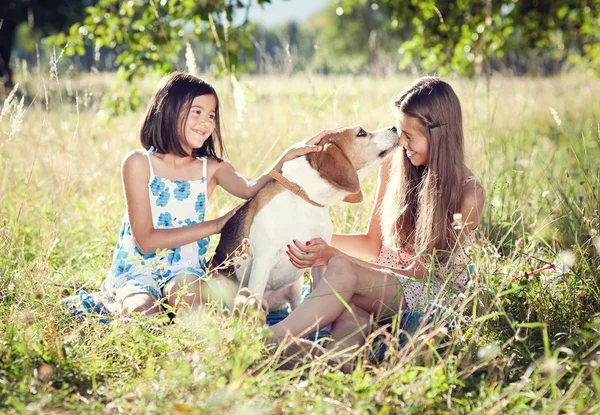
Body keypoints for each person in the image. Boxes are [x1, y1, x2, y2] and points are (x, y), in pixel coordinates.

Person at [275, 76, 485, 350]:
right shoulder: (396, 167)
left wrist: (335, 256)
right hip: (382, 285)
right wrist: (317, 241)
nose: (401, 143)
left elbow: (418, 273)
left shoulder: (469, 195)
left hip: (428, 291)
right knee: (351, 313)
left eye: (410, 136)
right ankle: (332, 362)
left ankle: (271, 338)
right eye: (400, 133)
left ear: (439, 135)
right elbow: (372, 245)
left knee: (341, 269)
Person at [102, 72, 329, 317]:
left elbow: (251, 188)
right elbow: (146, 240)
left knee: (193, 301)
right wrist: (216, 225)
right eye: (196, 112)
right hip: (138, 269)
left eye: (211, 115)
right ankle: (159, 325)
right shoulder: (138, 163)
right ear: (167, 110)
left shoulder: (211, 167)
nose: (206, 122)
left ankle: (235, 336)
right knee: (142, 310)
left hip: (184, 269)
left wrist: (285, 156)